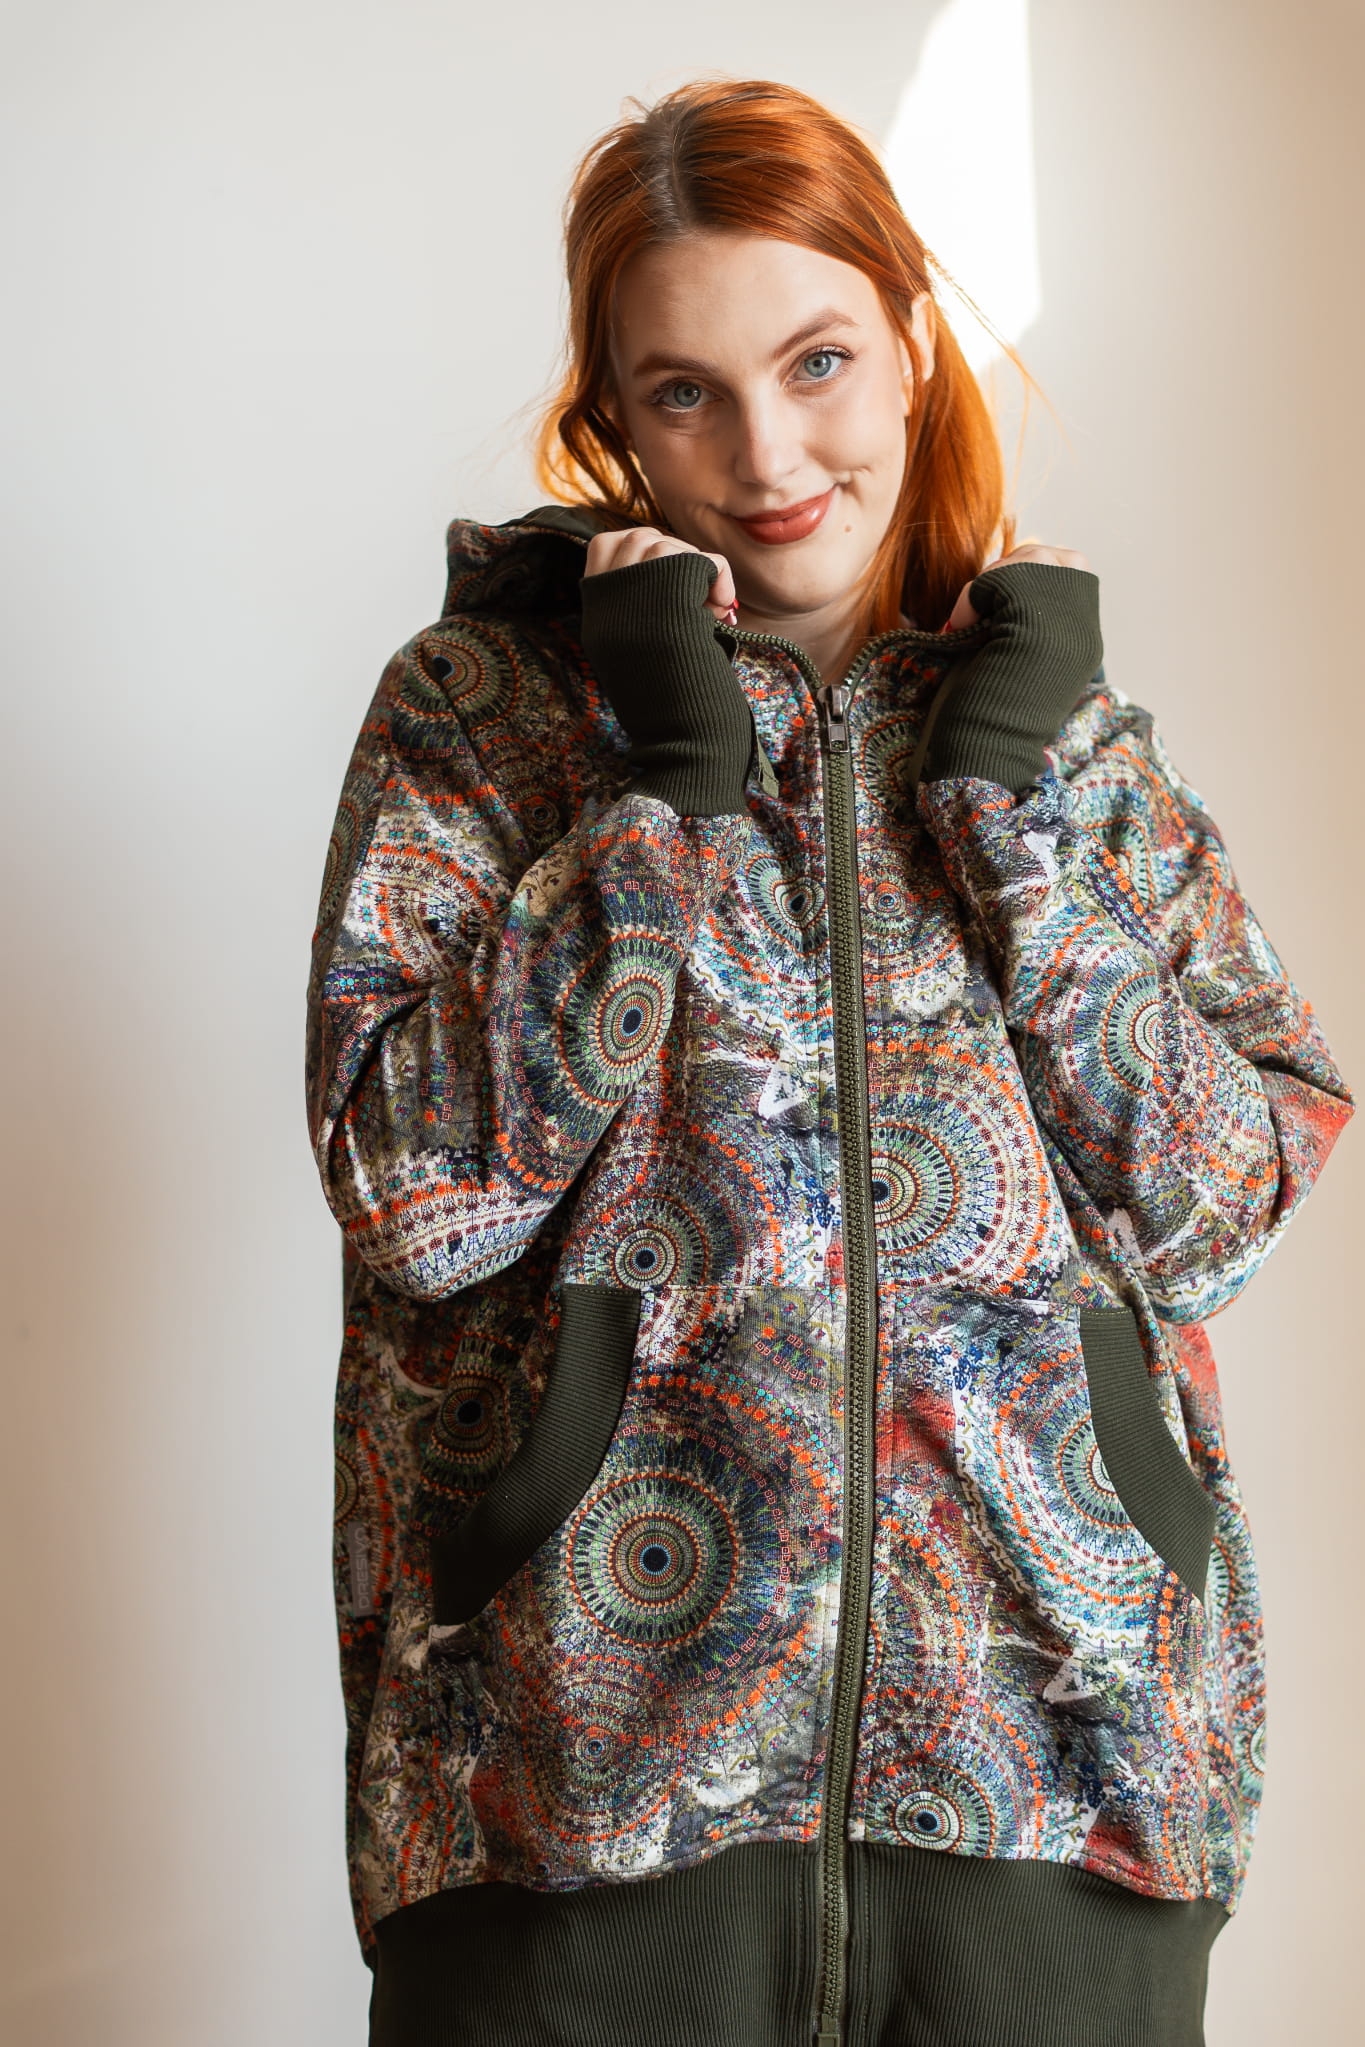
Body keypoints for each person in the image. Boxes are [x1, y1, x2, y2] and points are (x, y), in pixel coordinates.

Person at [305, 77, 1352, 2047]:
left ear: (910, 341)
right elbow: (417, 1201)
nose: (767, 453)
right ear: (616, 418)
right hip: (570, 1799)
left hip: (1056, 1782)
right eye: (683, 391)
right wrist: (659, 791)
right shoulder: (483, 713)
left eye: (814, 362)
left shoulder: (1068, 743)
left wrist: (1002, 808)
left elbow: (1222, 1201)